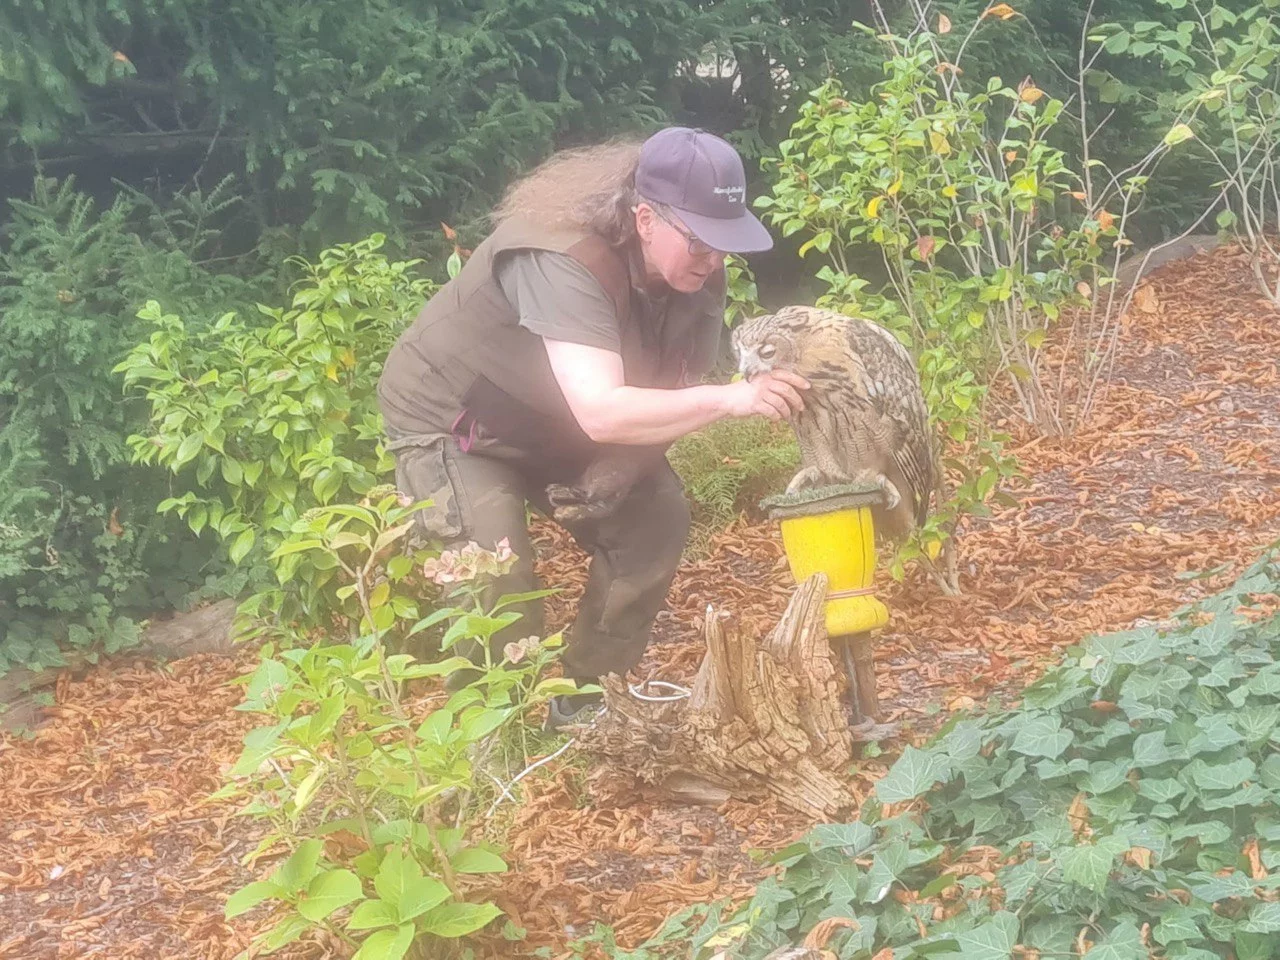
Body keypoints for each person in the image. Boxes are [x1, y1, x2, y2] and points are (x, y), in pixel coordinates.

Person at [376, 126, 809, 728]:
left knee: (656, 519)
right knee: (494, 567)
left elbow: (671, 390)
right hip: (457, 417)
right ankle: (495, 737)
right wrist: (732, 399)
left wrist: (627, 465)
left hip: (558, 417)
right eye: (701, 241)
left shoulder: (694, 272)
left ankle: (584, 703)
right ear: (645, 219)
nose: (715, 259)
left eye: (725, 243)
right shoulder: (562, 256)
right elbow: (602, 410)